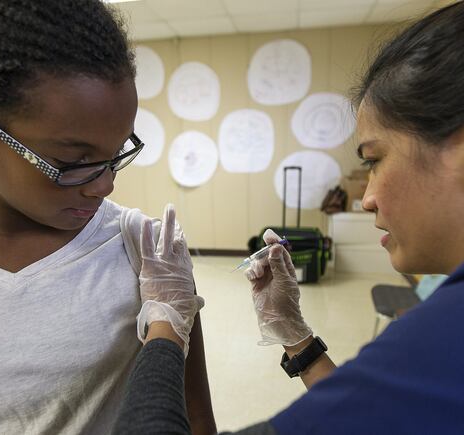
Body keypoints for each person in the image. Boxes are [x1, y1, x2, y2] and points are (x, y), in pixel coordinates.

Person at [0, 1, 216, 434]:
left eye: (117, 151)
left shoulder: (149, 252)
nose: (105, 186)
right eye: (72, 160)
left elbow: (193, 421)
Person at [112, 2, 464, 434]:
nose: (367, 197)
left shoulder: (443, 338)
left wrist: (165, 320)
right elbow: (368, 421)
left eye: (374, 160)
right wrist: (298, 339)